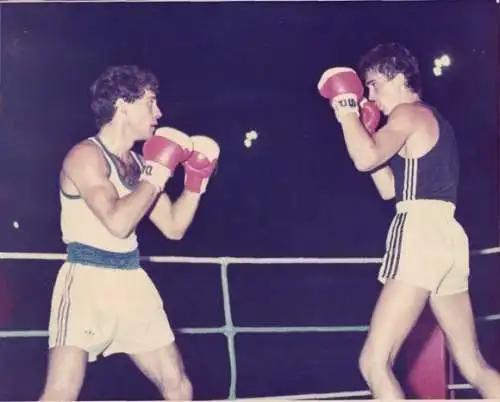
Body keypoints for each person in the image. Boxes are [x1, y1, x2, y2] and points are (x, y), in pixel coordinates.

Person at [317, 43, 500, 399]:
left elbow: (363, 158)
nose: (368, 95)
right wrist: (365, 130)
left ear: (398, 78)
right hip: (448, 236)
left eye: (373, 85)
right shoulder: (432, 121)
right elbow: (388, 187)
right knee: (473, 364)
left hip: (420, 233)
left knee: (373, 362)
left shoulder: (406, 115)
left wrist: (345, 111)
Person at [40, 65, 220, 401]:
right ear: (123, 103)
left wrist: (196, 182)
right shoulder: (85, 156)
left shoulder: (139, 164)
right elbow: (118, 223)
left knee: (178, 386)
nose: (159, 113)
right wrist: (157, 174)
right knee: (62, 392)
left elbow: (174, 227)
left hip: (132, 279)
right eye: (151, 102)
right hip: (87, 281)